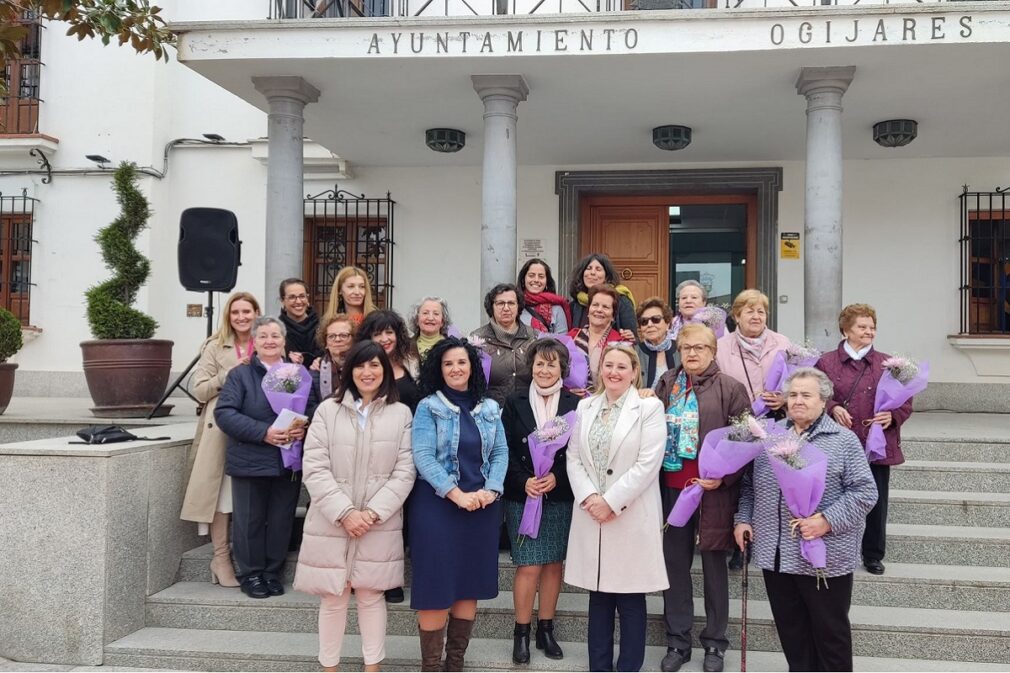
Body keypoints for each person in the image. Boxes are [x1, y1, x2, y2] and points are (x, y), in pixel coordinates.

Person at [734, 368, 877, 672]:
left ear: (824, 401)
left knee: (830, 635)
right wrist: (743, 519)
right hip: (777, 555)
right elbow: (749, 486)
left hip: (824, 557)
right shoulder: (769, 437)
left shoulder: (843, 440)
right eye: (793, 394)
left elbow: (865, 491)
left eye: (806, 395)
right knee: (792, 633)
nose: (797, 401)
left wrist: (826, 520)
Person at [293, 341, 415, 673]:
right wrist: (345, 512)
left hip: (379, 521)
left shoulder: (401, 413)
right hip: (332, 520)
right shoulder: (327, 411)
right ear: (349, 371)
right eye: (360, 366)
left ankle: (371, 666)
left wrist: (372, 513)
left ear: (385, 371)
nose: (367, 372)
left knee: (371, 595)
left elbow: (405, 471)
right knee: (333, 598)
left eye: (375, 365)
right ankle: (329, 666)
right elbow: (314, 467)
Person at [653, 324, 751, 673]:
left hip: (714, 492)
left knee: (713, 567)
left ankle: (714, 643)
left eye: (699, 347)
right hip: (672, 488)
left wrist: (722, 477)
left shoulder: (731, 388)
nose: (692, 353)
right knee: (674, 566)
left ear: (713, 351)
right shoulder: (666, 384)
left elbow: (746, 440)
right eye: (685, 347)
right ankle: (678, 641)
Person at [565, 343, 668, 672]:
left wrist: (610, 502)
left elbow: (647, 464)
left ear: (635, 372)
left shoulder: (649, 409)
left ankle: (627, 667)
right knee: (599, 596)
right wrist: (589, 498)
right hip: (591, 514)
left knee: (630, 598)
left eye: (622, 367)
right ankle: (599, 667)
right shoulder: (586, 407)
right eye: (608, 365)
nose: (613, 372)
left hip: (630, 513)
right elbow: (573, 458)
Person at [409, 337, 508, 672]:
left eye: (462, 362)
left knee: (469, 584)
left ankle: (455, 664)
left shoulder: (490, 407)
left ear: (472, 367)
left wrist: (491, 490)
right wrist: (455, 493)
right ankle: (431, 667)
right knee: (437, 587)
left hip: (480, 508)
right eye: (448, 363)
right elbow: (423, 457)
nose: (455, 368)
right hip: (437, 507)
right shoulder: (428, 406)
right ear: (439, 368)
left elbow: (499, 454)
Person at [215, 316, 320, 599]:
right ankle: (251, 573)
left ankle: (272, 572)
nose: (270, 341)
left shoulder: (295, 373)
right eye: (263, 336)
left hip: (287, 461)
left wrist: (303, 427)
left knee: (280, 519)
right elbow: (225, 413)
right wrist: (264, 432)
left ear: (284, 341)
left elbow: (310, 407)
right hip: (251, 458)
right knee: (249, 519)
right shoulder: (241, 375)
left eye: (275, 335)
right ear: (254, 342)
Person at [815, 303, 913, 576]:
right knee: (832, 496)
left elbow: (906, 400)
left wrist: (892, 416)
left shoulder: (889, 363)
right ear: (846, 330)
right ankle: (831, 546)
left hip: (875, 442)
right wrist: (832, 407)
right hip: (837, 441)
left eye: (872, 327)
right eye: (862, 327)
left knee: (876, 498)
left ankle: (872, 553)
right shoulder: (826, 362)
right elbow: (814, 393)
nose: (869, 332)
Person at [501, 338, 581, 664]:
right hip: (524, 494)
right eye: (539, 363)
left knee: (552, 565)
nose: (544, 369)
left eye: (551, 364)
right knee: (529, 565)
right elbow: (502, 449)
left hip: (558, 495)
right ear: (531, 366)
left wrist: (557, 476)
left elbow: (579, 451)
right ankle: (521, 631)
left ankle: (546, 629)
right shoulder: (514, 401)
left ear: (562, 368)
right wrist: (525, 481)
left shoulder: (575, 405)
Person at [180, 291, 261, 588]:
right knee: (222, 497)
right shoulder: (214, 347)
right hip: (222, 429)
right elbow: (199, 390)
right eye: (235, 312)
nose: (241, 318)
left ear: (256, 314)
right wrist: (229, 373)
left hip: (256, 427)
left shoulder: (265, 340)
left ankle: (247, 557)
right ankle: (221, 558)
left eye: (247, 312)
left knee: (248, 497)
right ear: (228, 316)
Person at [716, 289, 792, 417]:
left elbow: (798, 381)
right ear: (737, 317)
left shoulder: (783, 342)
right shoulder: (720, 347)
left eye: (761, 312)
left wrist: (785, 398)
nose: (756, 317)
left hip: (777, 418)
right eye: (750, 312)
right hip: (737, 419)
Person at [469, 283, 536, 406]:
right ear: (491, 307)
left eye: (511, 303)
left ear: (518, 306)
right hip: (491, 411)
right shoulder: (477, 339)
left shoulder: (534, 337)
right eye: (500, 303)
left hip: (527, 409)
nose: (506, 308)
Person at [356, 309, 422, 413]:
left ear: (398, 335)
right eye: (377, 334)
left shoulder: (412, 362)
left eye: (389, 332)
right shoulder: (360, 367)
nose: (385, 339)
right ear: (369, 338)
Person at [568, 284, 624, 394]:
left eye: (605, 307)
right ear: (588, 310)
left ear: (613, 315)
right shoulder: (572, 337)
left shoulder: (621, 343)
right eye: (595, 305)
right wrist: (567, 391)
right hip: (572, 403)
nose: (599, 310)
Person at [567, 253, 637, 339]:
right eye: (588, 268)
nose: (592, 273)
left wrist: (630, 336)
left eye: (598, 269)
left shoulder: (621, 301)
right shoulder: (575, 305)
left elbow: (633, 337)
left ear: (606, 276)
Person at [517, 257, 571, 335]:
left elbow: (562, 342)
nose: (536, 280)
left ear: (547, 281)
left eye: (541, 276)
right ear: (523, 279)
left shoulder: (556, 309)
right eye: (531, 275)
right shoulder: (515, 305)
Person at [635, 297, 679, 390]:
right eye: (644, 321)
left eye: (656, 319)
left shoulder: (681, 349)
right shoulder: (633, 353)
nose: (649, 324)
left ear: (667, 324)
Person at [278, 278, 321, 368]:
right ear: (282, 301)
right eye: (292, 297)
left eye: (302, 296)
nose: (298, 301)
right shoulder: (277, 329)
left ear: (307, 298)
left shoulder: (322, 326)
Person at [310, 313, 355, 399]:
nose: (337, 339)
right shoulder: (315, 373)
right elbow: (310, 409)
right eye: (332, 336)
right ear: (325, 343)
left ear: (353, 340)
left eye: (343, 335)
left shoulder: (363, 368)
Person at [409, 296, 452, 360]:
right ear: (417, 320)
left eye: (436, 314)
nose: (430, 318)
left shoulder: (452, 347)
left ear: (442, 321)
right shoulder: (405, 347)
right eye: (425, 313)